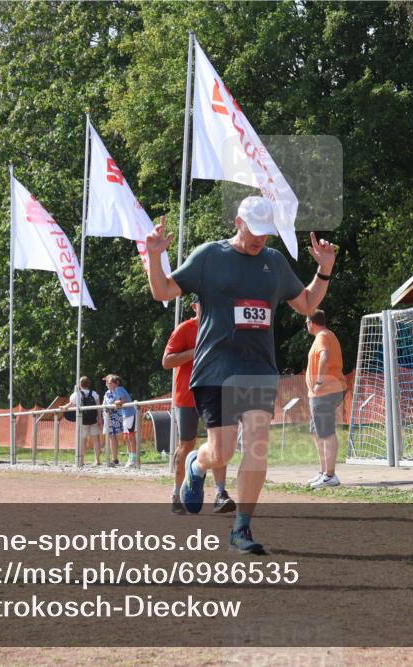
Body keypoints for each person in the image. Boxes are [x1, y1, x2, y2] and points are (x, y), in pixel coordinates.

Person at [145, 195, 336, 555]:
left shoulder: (274, 263)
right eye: (254, 231)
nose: (260, 239)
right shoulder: (209, 257)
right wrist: (154, 256)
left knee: (257, 445)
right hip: (216, 368)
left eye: (267, 233)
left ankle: (241, 529)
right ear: (238, 222)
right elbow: (162, 291)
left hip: (258, 369)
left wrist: (323, 269)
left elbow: (308, 304)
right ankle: (196, 464)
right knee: (222, 451)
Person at [163, 294, 235, 514]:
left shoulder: (221, 329)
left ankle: (221, 493)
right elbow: (167, 361)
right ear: (194, 306)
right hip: (187, 396)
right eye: (204, 303)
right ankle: (176, 494)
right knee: (186, 444)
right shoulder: (184, 329)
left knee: (219, 443)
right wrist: (196, 352)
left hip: (215, 392)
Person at [304, 310, 347, 489]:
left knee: (326, 431)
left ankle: (330, 475)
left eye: (306, 322)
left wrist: (319, 381)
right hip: (321, 393)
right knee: (317, 431)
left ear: (310, 322)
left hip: (325, 391)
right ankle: (324, 472)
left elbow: (325, 356)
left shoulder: (322, 336)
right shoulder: (325, 335)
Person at [65, 376, 103, 465]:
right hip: (93, 420)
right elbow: (98, 407)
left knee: (82, 440)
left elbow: (70, 404)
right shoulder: (94, 393)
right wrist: (99, 419)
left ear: (79, 384)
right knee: (96, 440)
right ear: (89, 384)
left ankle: (81, 460)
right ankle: (97, 460)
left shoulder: (76, 394)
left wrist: (63, 407)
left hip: (82, 420)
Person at [103, 375, 137, 467]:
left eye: (110, 382)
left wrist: (114, 403)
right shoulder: (116, 390)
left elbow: (122, 400)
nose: (108, 384)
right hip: (125, 415)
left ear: (116, 383)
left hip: (130, 414)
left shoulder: (119, 389)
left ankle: (134, 459)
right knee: (127, 437)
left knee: (131, 436)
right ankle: (131, 458)